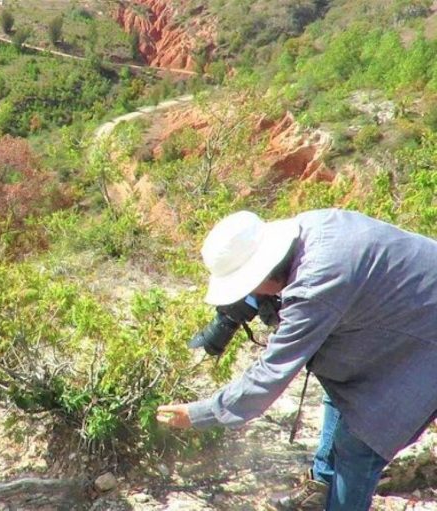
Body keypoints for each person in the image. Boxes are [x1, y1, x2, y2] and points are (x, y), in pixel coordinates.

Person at [156, 209, 437, 510]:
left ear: (263, 272)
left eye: (248, 286)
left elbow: (269, 376)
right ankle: (320, 491)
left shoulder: (314, 286)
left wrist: (200, 413)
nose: (249, 294)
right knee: (340, 388)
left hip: (425, 335)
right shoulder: (307, 229)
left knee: (359, 441)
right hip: (405, 311)